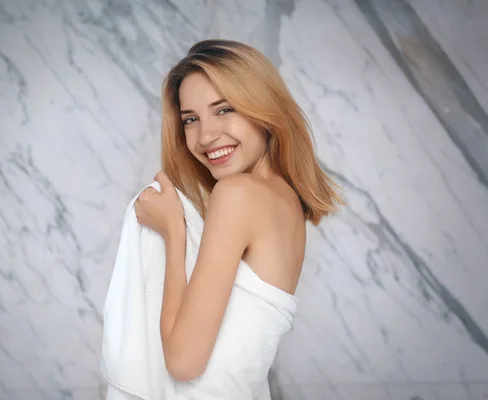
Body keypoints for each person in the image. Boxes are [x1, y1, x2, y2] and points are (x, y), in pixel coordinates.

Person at [113, 39, 343, 398]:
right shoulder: (286, 200)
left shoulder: (238, 195)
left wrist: (173, 229)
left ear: (263, 108)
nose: (205, 136)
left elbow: (184, 362)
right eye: (191, 119)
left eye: (224, 110)